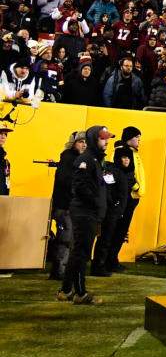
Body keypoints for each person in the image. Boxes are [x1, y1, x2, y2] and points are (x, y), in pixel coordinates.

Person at [58, 125, 112, 305]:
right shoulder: (87, 160)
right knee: (82, 253)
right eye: (102, 138)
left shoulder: (95, 159)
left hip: (89, 212)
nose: (106, 142)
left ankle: (65, 290)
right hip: (84, 213)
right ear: (94, 140)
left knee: (78, 253)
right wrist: (97, 202)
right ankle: (80, 293)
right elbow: (80, 187)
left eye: (107, 138)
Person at [48, 131, 88, 281]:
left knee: (68, 239)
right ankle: (59, 271)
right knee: (65, 239)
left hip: (69, 206)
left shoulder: (76, 158)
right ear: (73, 143)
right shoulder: (68, 157)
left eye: (85, 142)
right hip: (65, 206)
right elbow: (67, 181)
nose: (84, 144)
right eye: (80, 141)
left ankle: (61, 270)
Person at [106, 126, 144, 273]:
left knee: (120, 230)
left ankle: (112, 259)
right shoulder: (124, 152)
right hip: (126, 197)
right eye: (137, 137)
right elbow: (121, 175)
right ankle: (110, 261)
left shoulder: (132, 153)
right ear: (129, 138)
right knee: (117, 230)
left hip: (130, 197)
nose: (139, 139)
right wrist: (136, 187)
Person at [91, 145, 131, 277]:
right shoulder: (113, 171)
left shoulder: (123, 173)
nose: (126, 160)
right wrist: (113, 203)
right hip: (111, 212)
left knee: (108, 239)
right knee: (105, 239)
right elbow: (107, 189)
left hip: (116, 212)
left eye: (128, 158)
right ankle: (98, 266)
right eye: (124, 157)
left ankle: (102, 265)